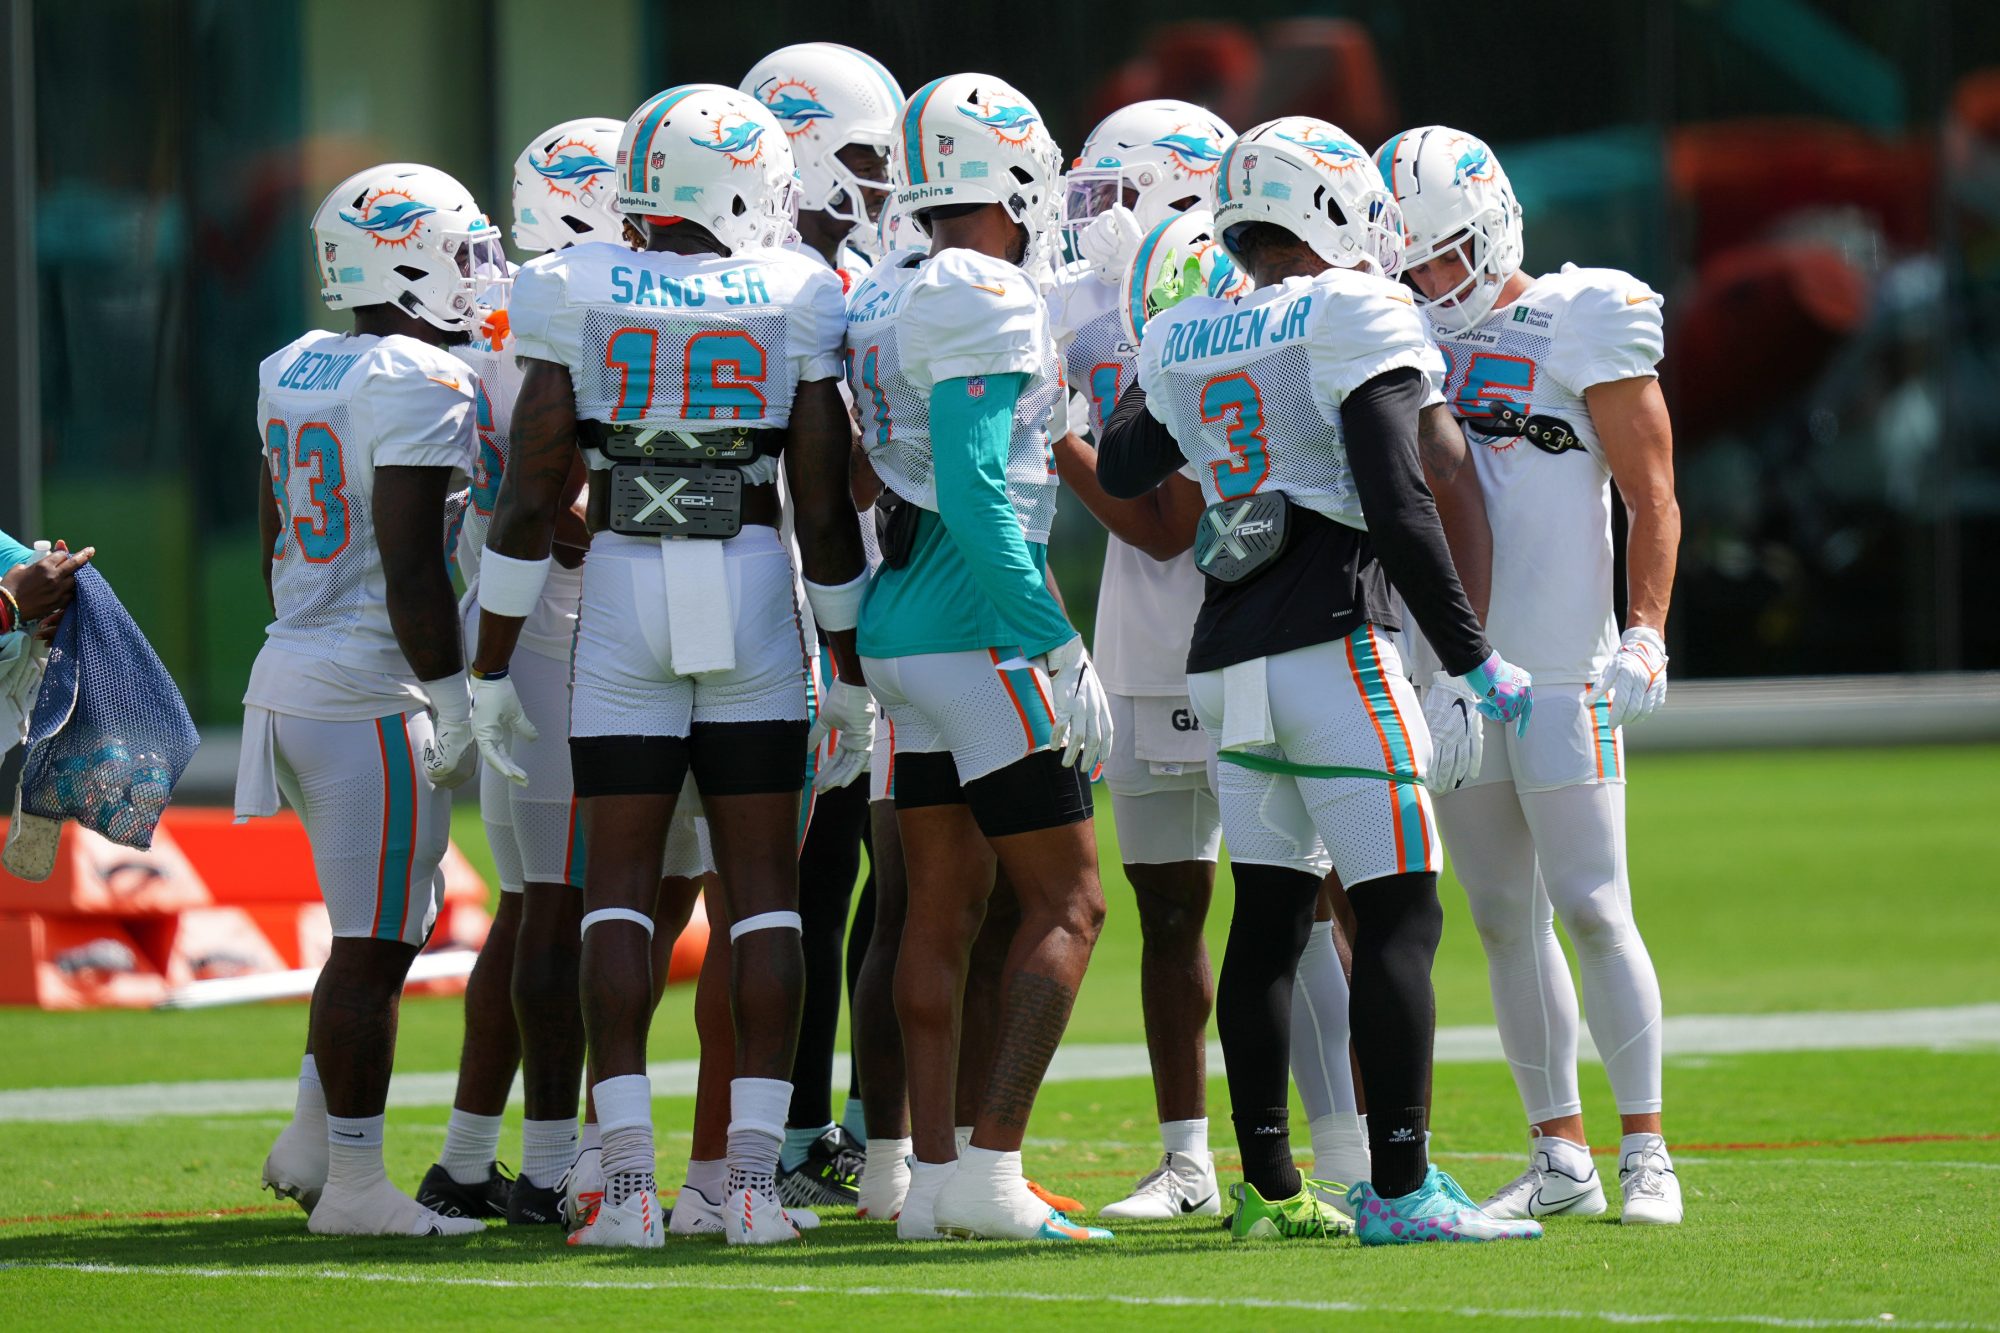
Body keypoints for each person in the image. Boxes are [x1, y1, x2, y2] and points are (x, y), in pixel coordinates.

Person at [1098, 116, 1541, 1245]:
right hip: (1336, 640)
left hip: (1227, 652)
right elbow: (1405, 497)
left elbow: (1124, 462)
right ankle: (1398, 1188)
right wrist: (1469, 654)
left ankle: (1271, 1189)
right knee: (1398, 912)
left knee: (1266, 921)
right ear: (1328, 206)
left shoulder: (1184, 322)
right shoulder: (1351, 307)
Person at [468, 84, 869, 1249]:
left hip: (626, 590)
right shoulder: (796, 289)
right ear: (738, 180)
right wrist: (842, 662)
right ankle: (748, 1187)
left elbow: (533, 491)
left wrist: (489, 665)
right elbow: (822, 504)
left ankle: (628, 1188)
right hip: (750, 581)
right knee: (764, 899)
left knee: (616, 896)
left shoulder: (569, 285)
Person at [1378, 125, 1683, 1225]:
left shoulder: (1581, 312)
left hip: (1562, 667)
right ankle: (1557, 1149)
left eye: (1443, 254)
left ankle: (1644, 1146)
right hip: (1454, 672)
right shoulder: (1390, 324)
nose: (1427, 279)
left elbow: (1652, 492)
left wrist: (1643, 630)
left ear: (1493, 221)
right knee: (1501, 913)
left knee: (1594, 904)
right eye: (1409, 260)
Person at [845, 72, 1112, 1244]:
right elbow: (971, 486)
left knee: (937, 912)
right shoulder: (984, 288)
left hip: (899, 628)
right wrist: (1052, 640)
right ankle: (991, 1173)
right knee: (1069, 900)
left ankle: (934, 1177)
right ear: (1010, 175)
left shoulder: (889, 290)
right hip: (974, 629)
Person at [242, 162, 497, 1236]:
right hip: (365, 681)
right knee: (378, 945)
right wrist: (450, 692)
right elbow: (410, 568)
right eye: (458, 248)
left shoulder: (296, 362)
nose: (477, 271)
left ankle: (311, 1137)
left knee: (374, 926)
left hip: (292, 670)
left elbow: (271, 537)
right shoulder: (414, 376)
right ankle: (351, 1184)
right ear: (407, 257)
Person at [414, 117, 627, 1227]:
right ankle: (552, 1166)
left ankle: (467, 1157)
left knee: (528, 905)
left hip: (503, 619)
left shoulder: (492, 313)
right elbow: (560, 508)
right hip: (557, 628)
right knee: (562, 906)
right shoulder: (570, 309)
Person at [1045, 104, 1237, 1221]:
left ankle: (1347, 1148)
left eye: (1109, 193)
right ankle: (1187, 1158)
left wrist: (1054, 431)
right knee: (1170, 910)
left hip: (1250, 622)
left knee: (1301, 906)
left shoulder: (1237, 302)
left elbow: (1163, 522)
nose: (1090, 221)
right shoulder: (1075, 303)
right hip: (1146, 643)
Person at [739, 40, 905, 1211]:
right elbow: (832, 479)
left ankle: (817, 1124)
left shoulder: (820, 272)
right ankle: (782, 1133)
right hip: (789, 608)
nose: (881, 183)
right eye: (859, 156)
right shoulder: (791, 286)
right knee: (793, 881)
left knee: (838, 873)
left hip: (813, 603)